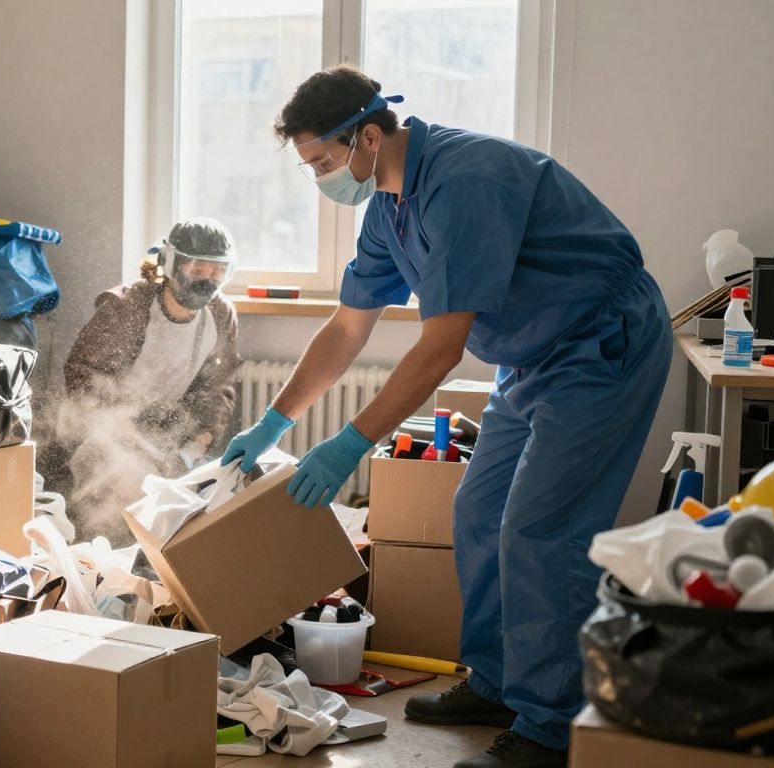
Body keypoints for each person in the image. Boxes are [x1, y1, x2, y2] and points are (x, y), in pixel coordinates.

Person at [222, 66, 671, 768]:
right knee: (477, 512)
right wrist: (274, 423)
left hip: (600, 343)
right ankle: (499, 684)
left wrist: (349, 444)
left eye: (322, 161)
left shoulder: (466, 182)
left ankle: (550, 730)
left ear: (368, 136)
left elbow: (439, 352)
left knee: (539, 530)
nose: (320, 178)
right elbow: (346, 330)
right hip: (532, 358)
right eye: (308, 166)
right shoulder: (388, 209)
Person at [49, 217, 240, 538]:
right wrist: (117, 433)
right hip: (104, 430)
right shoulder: (127, 307)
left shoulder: (221, 314)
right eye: (196, 271)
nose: (206, 281)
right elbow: (83, 374)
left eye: (217, 272)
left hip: (167, 431)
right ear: (169, 263)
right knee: (121, 494)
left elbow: (218, 388)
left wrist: (196, 446)